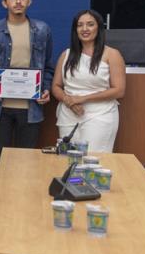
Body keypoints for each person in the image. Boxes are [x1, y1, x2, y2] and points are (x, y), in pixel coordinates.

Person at [0, 0, 55, 184]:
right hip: (0, 107)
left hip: (30, 108)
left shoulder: (42, 29)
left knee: (27, 161)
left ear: (29, 1)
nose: (18, 1)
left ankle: (22, 201)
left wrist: (46, 89)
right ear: (4, 2)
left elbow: (47, 66)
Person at [52, 10, 125, 153]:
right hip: (68, 114)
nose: (84, 29)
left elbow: (119, 90)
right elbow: (56, 86)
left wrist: (82, 99)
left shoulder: (112, 54)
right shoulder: (66, 55)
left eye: (90, 24)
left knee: (91, 160)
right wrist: (69, 101)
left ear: (99, 27)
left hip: (100, 115)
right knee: (67, 159)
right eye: (80, 25)